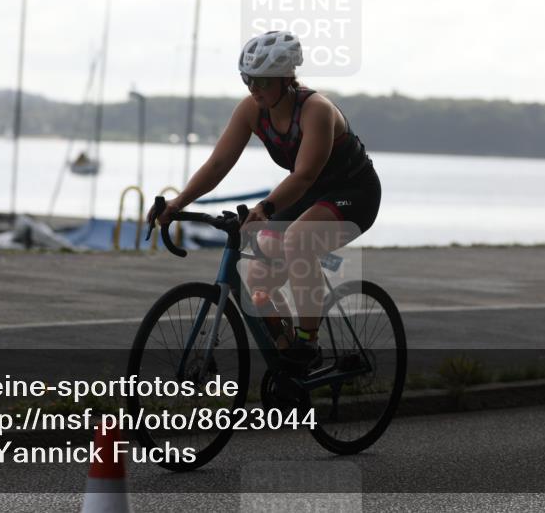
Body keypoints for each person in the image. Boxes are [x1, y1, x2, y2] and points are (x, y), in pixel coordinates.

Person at [148, 30, 381, 371]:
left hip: (353, 193)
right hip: (308, 195)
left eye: (261, 81)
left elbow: (303, 175)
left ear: (286, 78)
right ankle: (287, 350)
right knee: (258, 276)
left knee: (299, 239)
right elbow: (218, 164)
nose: (253, 88)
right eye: (247, 79)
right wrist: (178, 202)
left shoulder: (316, 110)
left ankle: (307, 343)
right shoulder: (252, 109)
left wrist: (265, 208)